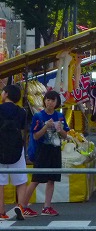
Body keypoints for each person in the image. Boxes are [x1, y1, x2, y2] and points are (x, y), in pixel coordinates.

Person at [20, 90, 70, 217]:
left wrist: (59, 129)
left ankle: (47, 207)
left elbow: (65, 135)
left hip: (55, 150)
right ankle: (23, 206)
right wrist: (46, 127)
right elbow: (35, 136)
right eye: (48, 100)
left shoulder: (60, 116)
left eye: (53, 100)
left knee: (52, 179)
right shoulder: (38, 116)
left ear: (57, 102)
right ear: (44, 101)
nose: (50, 103)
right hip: (42, 151)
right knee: (36, 179)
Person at [0, 85, 28, 221]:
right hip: (17, 149)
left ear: (6, 94)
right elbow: (23, 129)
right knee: (21, 180)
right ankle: (21, 206)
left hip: (0, 149)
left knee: (0, 182)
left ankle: (1, 211)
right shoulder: (21, 111)